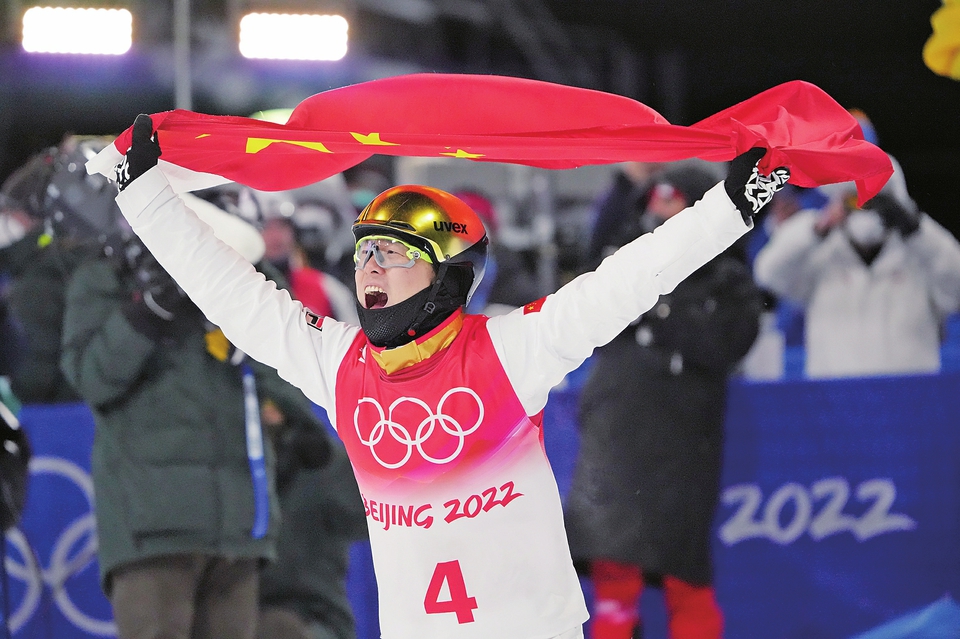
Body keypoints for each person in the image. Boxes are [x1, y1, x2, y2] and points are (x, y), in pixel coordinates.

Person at [108, 113, 788, 639]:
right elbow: (230, 291)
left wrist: (736, 202)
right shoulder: (342, 365)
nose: (367, 266)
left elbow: (631, 279)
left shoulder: (511, 349)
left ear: (445, 275)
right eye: (363, 250)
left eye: (391, 252)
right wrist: (141, 196)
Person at [59, 192, 333, 639]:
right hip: (153, 525)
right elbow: (92, 379)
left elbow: (281, 359)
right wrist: (149, 311)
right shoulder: (108, 275)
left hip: (237, 525)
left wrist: (298, 422)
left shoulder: (246, 275)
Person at [563, 161, 763, 639]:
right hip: (614, 432)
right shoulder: (620, 262)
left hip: (682, 441)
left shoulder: (727, 278)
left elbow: (727, 344)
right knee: (612, 573)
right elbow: (581, 312)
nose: (660, 209)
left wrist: (655, 314)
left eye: (672, 199)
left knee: (686, 574)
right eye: (654, 199)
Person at [753, 155, 960, 378]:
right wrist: (817, 227)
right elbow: (768, 273)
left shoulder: (920, 254)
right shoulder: (821, 256)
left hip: (907, 400)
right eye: (855, 201)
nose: (864, 209)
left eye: (875, 202)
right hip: (836, 400)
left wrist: (917, 230)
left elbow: (955, 284)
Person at [0, 141, 111, 404]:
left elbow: (31, 380)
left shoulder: (38, 282)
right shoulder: (89, 260)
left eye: (11, 213)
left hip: (60, 428)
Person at [258, 431, 368, 639]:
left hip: (313, 615)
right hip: (235, 612)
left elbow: (383, 517)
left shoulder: (326, 464)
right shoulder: (225, 469)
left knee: (277, 629)